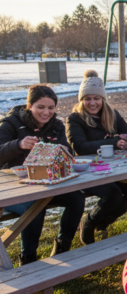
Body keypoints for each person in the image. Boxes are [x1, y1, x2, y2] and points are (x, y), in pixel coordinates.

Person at [0, 85, 86, 263]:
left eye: (51, 108)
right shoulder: (11, 123)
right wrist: (18, 145)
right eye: (40, 107)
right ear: (29, 106)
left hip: (47, 184)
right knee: (36, 205)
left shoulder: (56, 125)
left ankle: (63, 248)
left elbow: (67, 152)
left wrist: (63, 151)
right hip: (13, 189)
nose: (46, 112)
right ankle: (28, 258)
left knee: (77, 198)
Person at [65, 70, 127, 244]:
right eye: (87, 99)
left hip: (114, 168)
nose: (92, 103)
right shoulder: (74, 119)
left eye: (96, 98)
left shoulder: (112, 114)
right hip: (88, 171)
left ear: (103, 99)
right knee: (113, 194)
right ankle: (89, 222)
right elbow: (79, 147)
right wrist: (113, 142)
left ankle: (101, 222)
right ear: (81, 100)